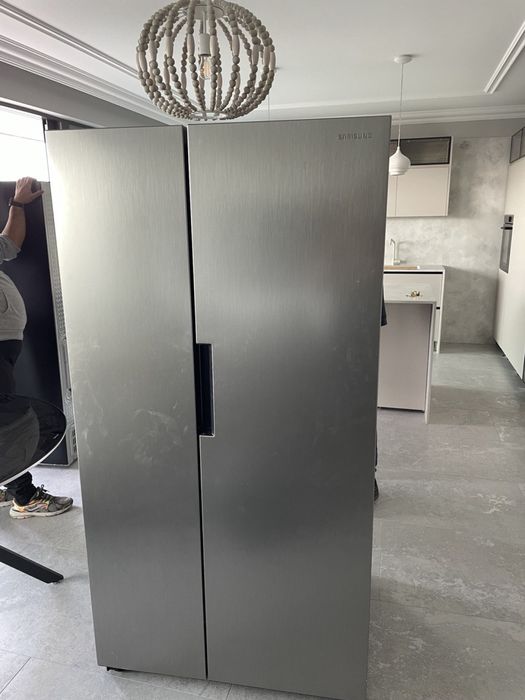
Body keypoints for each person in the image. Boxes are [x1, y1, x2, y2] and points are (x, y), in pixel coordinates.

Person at [0, 176, 73, 518]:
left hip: (7, 342)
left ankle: (9, 486)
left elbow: (8, 245)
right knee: (7, 421)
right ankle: (24, 497)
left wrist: (17, 203)